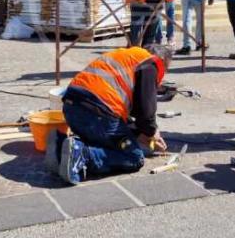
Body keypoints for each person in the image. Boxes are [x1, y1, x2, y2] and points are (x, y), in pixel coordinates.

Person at [46, 45, 173, 184]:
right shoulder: (151, 63)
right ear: (162, 60)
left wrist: (139, 132)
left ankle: (59, 145)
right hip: (96, 113)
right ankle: (82, 155)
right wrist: (151, 131)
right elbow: (145, 110)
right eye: (165, 71)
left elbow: (128, 115)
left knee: (104, 140)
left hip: (71, 108)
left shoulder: (126, 57)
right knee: (134, 157)